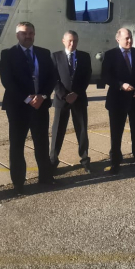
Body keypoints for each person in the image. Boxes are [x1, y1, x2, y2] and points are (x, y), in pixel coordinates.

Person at [0, 22, 58, 192]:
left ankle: (46, 177)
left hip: (40, 105)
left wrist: (43, 96)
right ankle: (18, 182)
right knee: (17, 145)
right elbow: (7, 82)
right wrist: (27, 98)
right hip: (18, 107)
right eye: (24, 33)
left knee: (41, 143)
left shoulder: (44, 53)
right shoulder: (8, 54)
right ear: (17, 35)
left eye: (31, 33)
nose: (28, 36)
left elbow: (52, 77)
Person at [101, 28, 135, 174]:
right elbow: (106, 76)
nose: (129, 41)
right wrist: (120, 85)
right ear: (118, 39)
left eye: (130, 38)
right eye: (126, 38)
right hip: (117, 100)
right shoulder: (110, 55)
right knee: (116, 134)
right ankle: (115, 163)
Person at [50, 30, 92, 173]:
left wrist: (77, 93)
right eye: (69, 41)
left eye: (75, 41)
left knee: (82, 131)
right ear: (63, 41)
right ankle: (53, 161)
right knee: (58, 132)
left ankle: (85, 160)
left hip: (79, 99)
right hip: (62, 100)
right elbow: (53, 78)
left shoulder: (84, 57)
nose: (72, 44)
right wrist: (64, 95)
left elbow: (87, 76)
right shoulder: (56, 56)